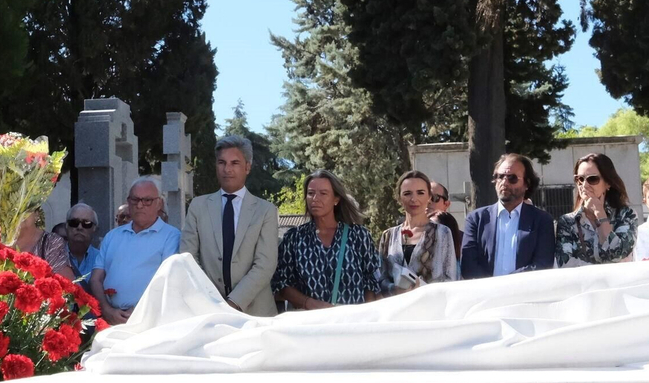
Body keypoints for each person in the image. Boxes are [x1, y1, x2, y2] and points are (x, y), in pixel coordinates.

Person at [179, 134, 280, 316]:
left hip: (255, 312)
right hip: (207, 310)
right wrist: (212, 301)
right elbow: (188, 257)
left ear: (247, 167)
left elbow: (265, 264)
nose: (227, 169)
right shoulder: (198, 206)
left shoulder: (265, 211)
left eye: (235, 163)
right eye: (222, 163)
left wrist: (232, 304)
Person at [274, 169, 383, 308]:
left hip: (352, 321)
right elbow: (282, 282)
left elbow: (371, 280)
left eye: (323, 193)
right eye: (311, 193)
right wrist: (310, 303)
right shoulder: (294, 238)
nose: (315, 198)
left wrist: (366, 315)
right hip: (310, 323)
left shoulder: (358, 235)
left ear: (336, 199)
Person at [92, 177, 181, 324]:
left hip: (149, 320)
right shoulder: (112, 236)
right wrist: (106, 309)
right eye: (135, 199)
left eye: (147, 200)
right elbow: (96, 278)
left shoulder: (171, 236)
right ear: (128, 201)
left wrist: (140, 311)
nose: (140, 205)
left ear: (159, 203)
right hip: (110, 319)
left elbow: (169, 281)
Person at [460, 154, 556, 279]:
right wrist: (493, 286)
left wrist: (507, 285)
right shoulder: (476, 219)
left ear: (527, 183)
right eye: (500, 177)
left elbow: (542, 264)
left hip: (525, 293)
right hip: (485, 294)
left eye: (512, 178)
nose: (504, 182)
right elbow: (468, 266)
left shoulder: (542, 221)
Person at [379, 170, 457, 293]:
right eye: (407, 193)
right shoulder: (388, 236)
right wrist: (393, 289)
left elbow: (450, 278)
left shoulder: (442, 233)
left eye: (420, 193)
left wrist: (424, 290)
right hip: (396, 308)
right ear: (399, 198)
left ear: (429, 197)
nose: (414, 199)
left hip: (431, 307)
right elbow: (381, 279)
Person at [556, 153, 637, 266]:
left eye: (592, 179)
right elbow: (564, 262)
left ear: (608, 183)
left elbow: (619, 253)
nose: (584, 185)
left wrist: (600, 214)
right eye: (579, 179)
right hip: (583, 283)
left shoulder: (625, 215)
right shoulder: (567, 222)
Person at [64, 203, 104, 281]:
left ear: (94, 228)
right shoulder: (53, 258)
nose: (79, 227)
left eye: (86, 223)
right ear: (67, 226)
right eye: (74, 222)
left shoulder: (101, 259)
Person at [429, 181, 462, 258]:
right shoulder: (408, 236)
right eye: (424, 197)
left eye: (434, 197)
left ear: (446, 204)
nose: (428, 202)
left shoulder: (463, 240)